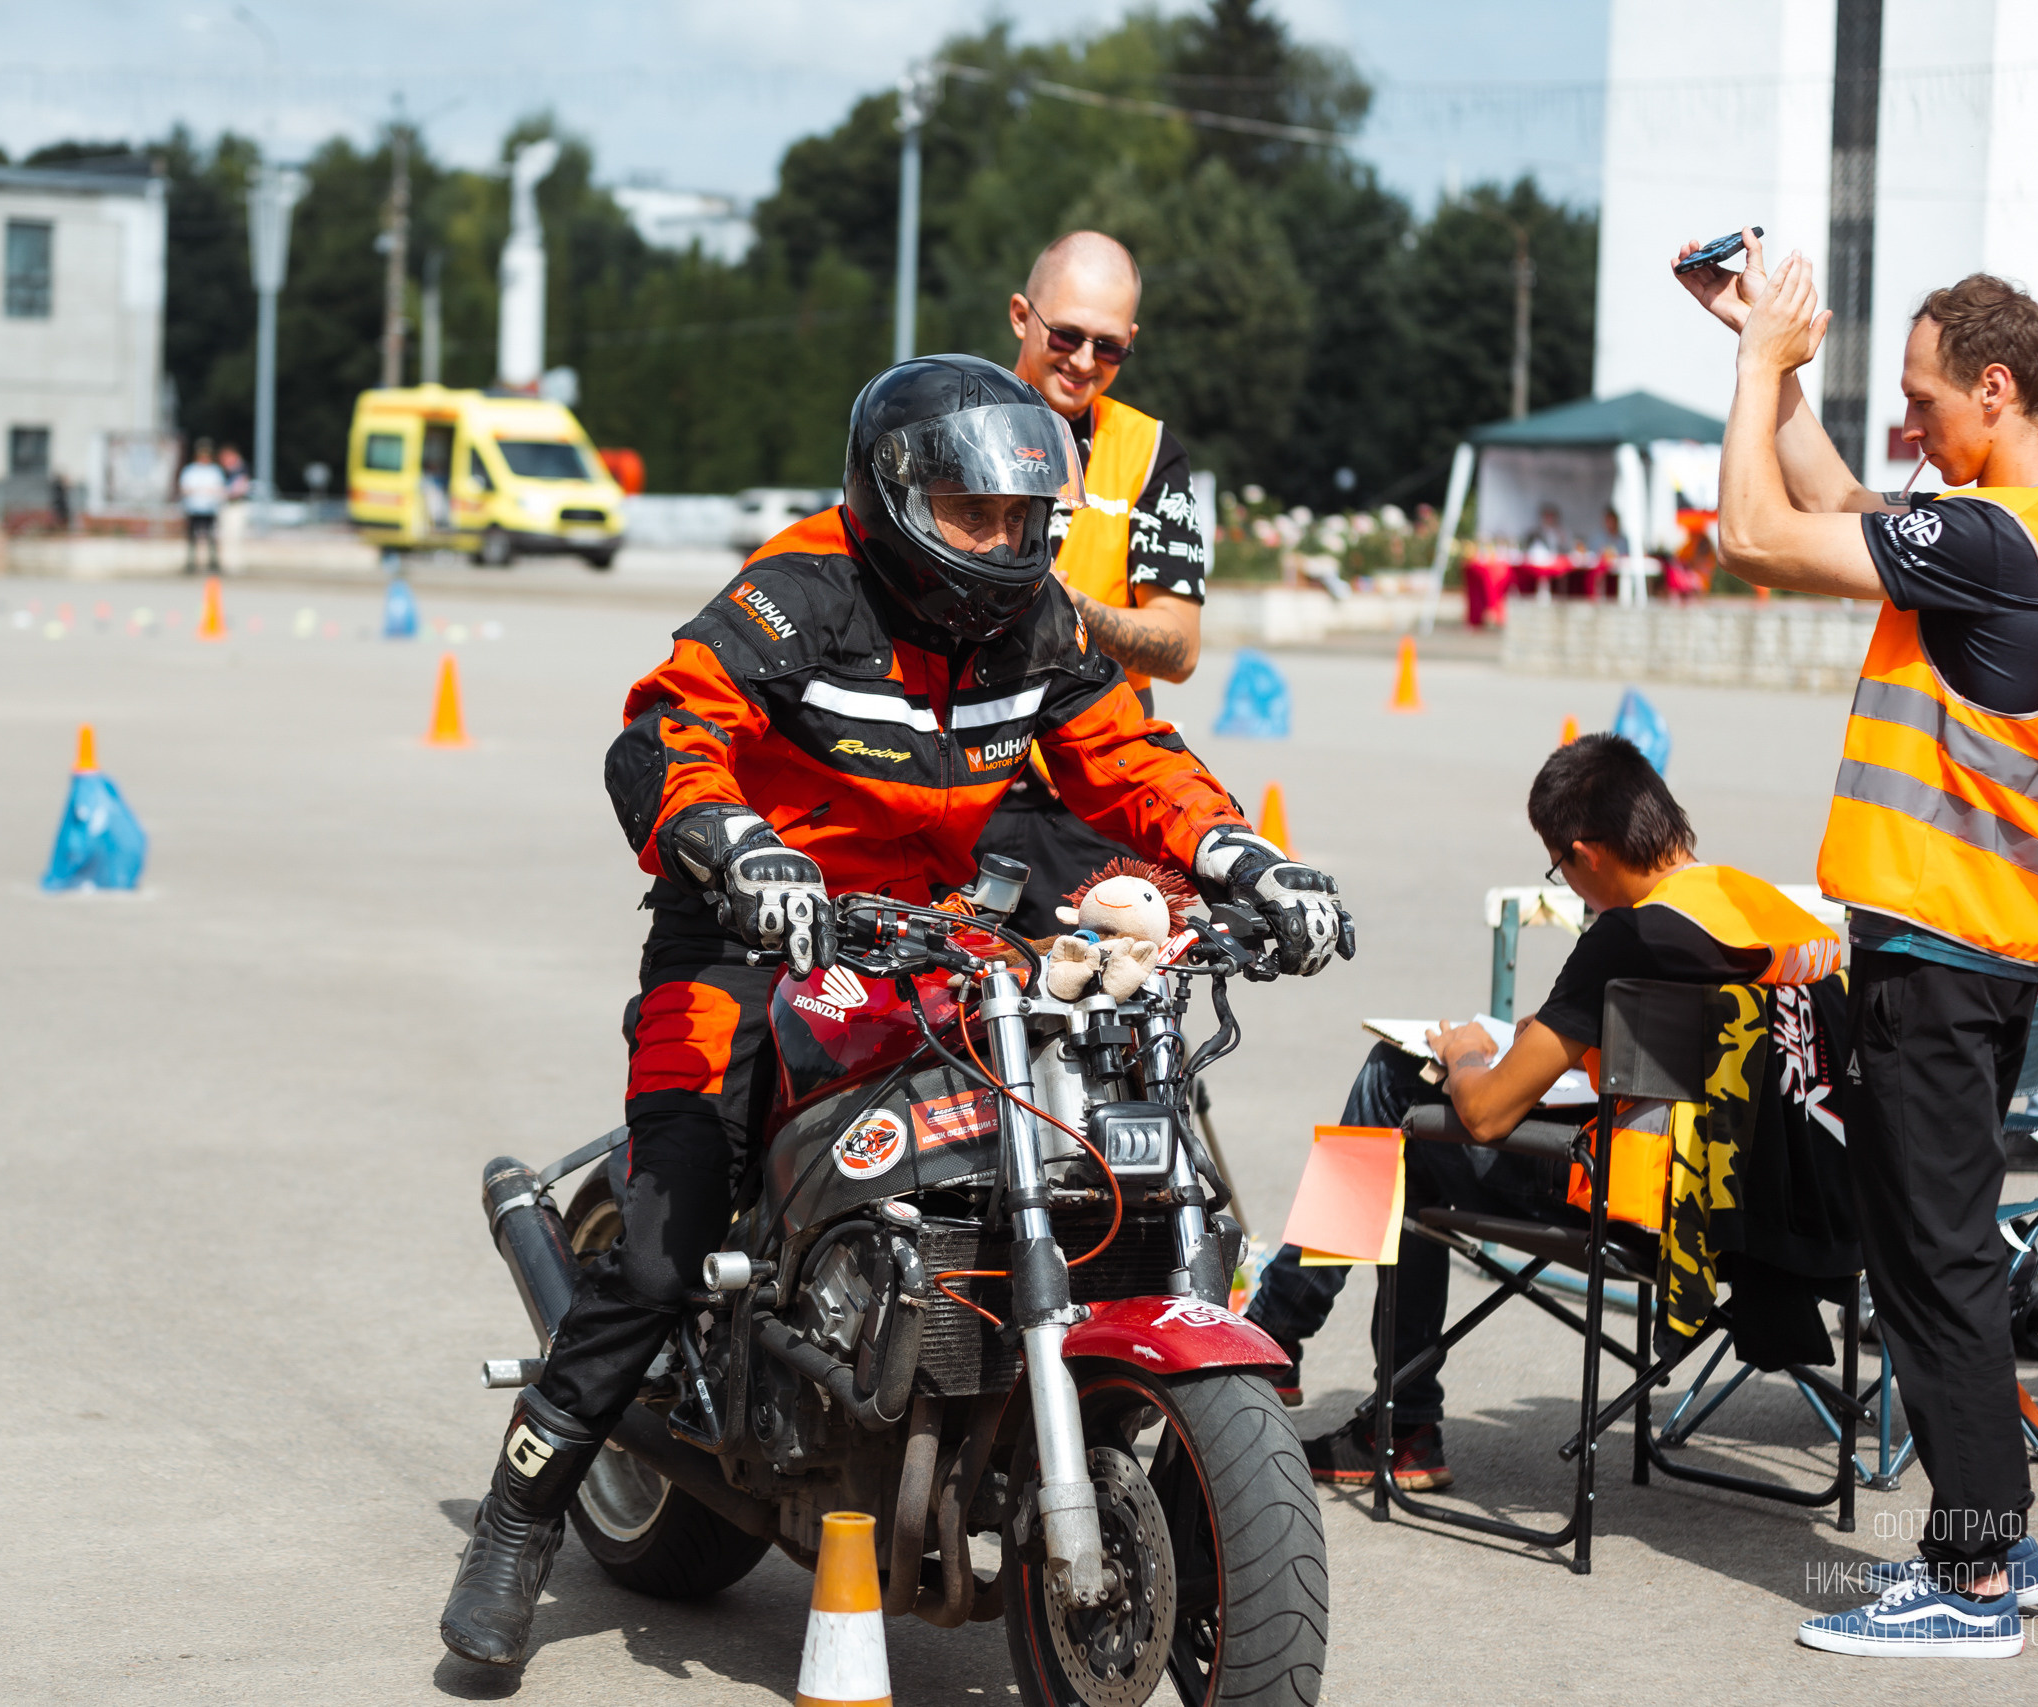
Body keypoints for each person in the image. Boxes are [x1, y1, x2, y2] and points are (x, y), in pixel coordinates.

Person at [438, 354, 1357, 1669]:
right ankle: (522, 1511)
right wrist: (739, 849)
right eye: (979, 513)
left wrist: (1245, 860)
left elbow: (1131, 760)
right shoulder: (800, 590)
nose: (1007, 540)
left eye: (1025, 516)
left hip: (939, 931)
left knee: (1066, 1124)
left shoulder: (1032, 617)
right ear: (899, 494)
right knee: (664, 1235)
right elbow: (664, 734)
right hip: (753, 931)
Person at [1680, 237, 2038, 1658]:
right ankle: (1990, 1537)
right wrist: (1781, 368)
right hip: (1991, 945)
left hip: (1939, 953)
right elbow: (1861, 511)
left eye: (1929, 398)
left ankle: (1977, 1570)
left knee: (1930, 1261)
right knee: (1942, 1246)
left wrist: (1754, 376)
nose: (1913, 426)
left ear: (1996, 389)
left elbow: (1755, 535)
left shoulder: (2001, 543)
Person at [1244, 735, 1842, 1490]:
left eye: (1559, 868)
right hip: (1779, 1213)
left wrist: (1465, 1051)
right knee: (1401, 1130)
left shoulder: (1630, 936)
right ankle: (1347, 1379)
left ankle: (1303, 1349)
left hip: (1641, 1204)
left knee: (1392, 1090)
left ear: (1585, 853)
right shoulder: (1767, 911)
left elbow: (1490, 1115)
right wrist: (1558, 1038)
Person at [971, 231, 1211, 939]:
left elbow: (1179, 647)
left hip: (1095, 796)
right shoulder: (948, 420)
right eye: (1066, 335)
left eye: (1108, 347)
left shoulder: (1149, 452)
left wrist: (1072, 610)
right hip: (962, 787)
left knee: (1119, 1027)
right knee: (948, 1024)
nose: (1083, 361)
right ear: (1022, 315)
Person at [178, 439, 226, 575]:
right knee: (192, 536)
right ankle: (191, 563)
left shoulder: (214, 471)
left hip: (209, 508)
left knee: (211, 536)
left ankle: (213, 562)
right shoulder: (190, 470)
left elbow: (219, 489)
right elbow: (184, 488)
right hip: (194, 507)